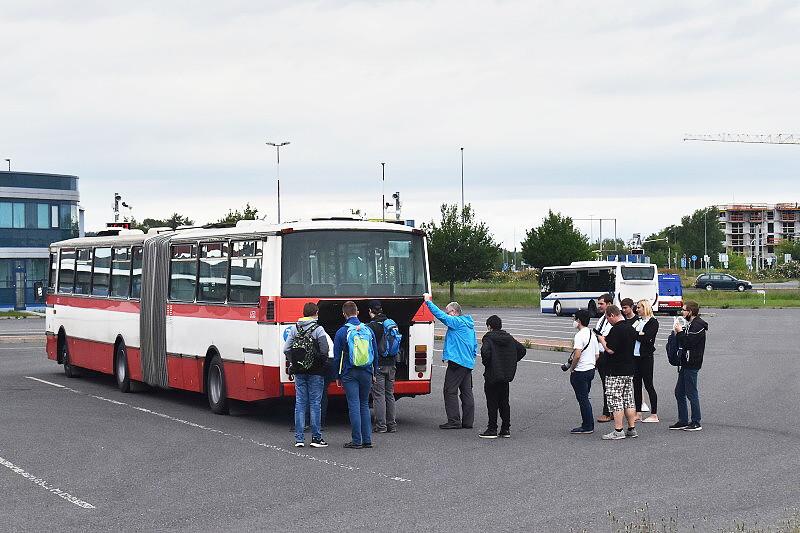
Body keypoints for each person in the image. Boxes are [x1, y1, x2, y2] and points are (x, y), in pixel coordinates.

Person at [424, 293, 477, 429]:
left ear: (454, 312)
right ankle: (468, 422)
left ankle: (454, 421)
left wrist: (428, 302)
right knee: (466, 392)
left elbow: (441, 317)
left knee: (449, 390)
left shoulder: (457, 322)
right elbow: (474, 345)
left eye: (448, 312)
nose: (447, 314)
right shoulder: (469, 325)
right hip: (467, 363)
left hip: (457, 362)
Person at [283, 302, 330, 448]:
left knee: (300, 403)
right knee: (315, 403)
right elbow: (324, 349)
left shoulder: (294, 328)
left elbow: (286, 349)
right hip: (316, 372)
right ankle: (316, 438)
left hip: (299, 372)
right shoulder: (318, 329)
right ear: (315, 313)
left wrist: (295, 363)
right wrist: (321, 364)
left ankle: (299, 439)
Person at [333, 301, 379, 449]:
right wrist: (374, 372)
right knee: (364, 404)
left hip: (349, 372)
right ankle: (367, 440)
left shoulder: (341, 332)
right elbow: (375, 353)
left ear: (344, 314)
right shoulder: (368, 330)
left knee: (354, 405)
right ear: (358, 312)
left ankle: (356, 440)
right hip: (366, 371)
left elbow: (337, 357)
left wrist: (337, 375)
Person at [478, 315, 527, 439]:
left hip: (492, 375)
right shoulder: (508, 338)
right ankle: (505, 429)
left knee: (492, 402)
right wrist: (511, 361)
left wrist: (488, 363)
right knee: (504, 402)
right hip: (505, 375)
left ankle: (492, 428)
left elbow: (485, 352)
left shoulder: (488, 338)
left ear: (489, 326)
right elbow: (522, 350)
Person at [597, 304, 638, 440]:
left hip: (615, 370)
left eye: (608, 318)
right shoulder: (631, 328)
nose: (608, 321)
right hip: (629, 368)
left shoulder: (616, 330)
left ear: (612, 315)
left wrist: (602, 340)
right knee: (629, 400)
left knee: (616, 400)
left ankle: (618, 430)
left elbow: (610, 350)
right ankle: (631, 428)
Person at [670, 300, 708, 432]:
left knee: (691, 392)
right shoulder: (691, 324)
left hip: (692, 363)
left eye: (684, 310)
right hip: (685, 363)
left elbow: (688, 343)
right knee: (679, 392)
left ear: (690, 312)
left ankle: (696, 421)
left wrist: (680, 332)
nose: (682, 312)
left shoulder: (698, 325)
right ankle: (683, 420)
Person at [366, 300, 398, 434]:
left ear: (370, 311)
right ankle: (392, 425)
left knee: (378, 396)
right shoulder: (391, 323)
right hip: (392, 364)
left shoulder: (371, 326)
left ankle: (381, 426)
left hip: (379, 365)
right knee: (390, 395)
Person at [569, 309, 599, 434]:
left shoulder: (579, 335)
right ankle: (587, 423)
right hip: (590, 369)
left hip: (580, 371)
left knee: (583, 399)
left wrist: (572, 368)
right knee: (585, 397)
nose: (574, 321)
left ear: (579, 321)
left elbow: (577, 355)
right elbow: (597, 354)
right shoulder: (592, 334)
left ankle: (587, 425)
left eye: (575, 319)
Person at [632, 300, 659, 423]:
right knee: (636, 385)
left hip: (646, 357)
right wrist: (639, 334)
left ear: (645, 308)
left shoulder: (653, 322)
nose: (637, 309)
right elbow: (631, 333)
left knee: (648, 385)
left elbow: (647, 338)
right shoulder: (638, 321)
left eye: (639, 308)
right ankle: (638, 412)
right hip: (635, 356)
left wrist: (638, 335)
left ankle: (654, 414)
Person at [593, 294, 614, 423]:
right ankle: (610, 410)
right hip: (600, 354)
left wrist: (599, 338)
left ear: (609, 304)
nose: (599, 306)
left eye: (601, 303)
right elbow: (597, 333)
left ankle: (608, 412)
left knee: (608, 384)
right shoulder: (602, 318)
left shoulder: (611, 320)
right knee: (605, 384)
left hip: (607, 355)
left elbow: (604, 337)